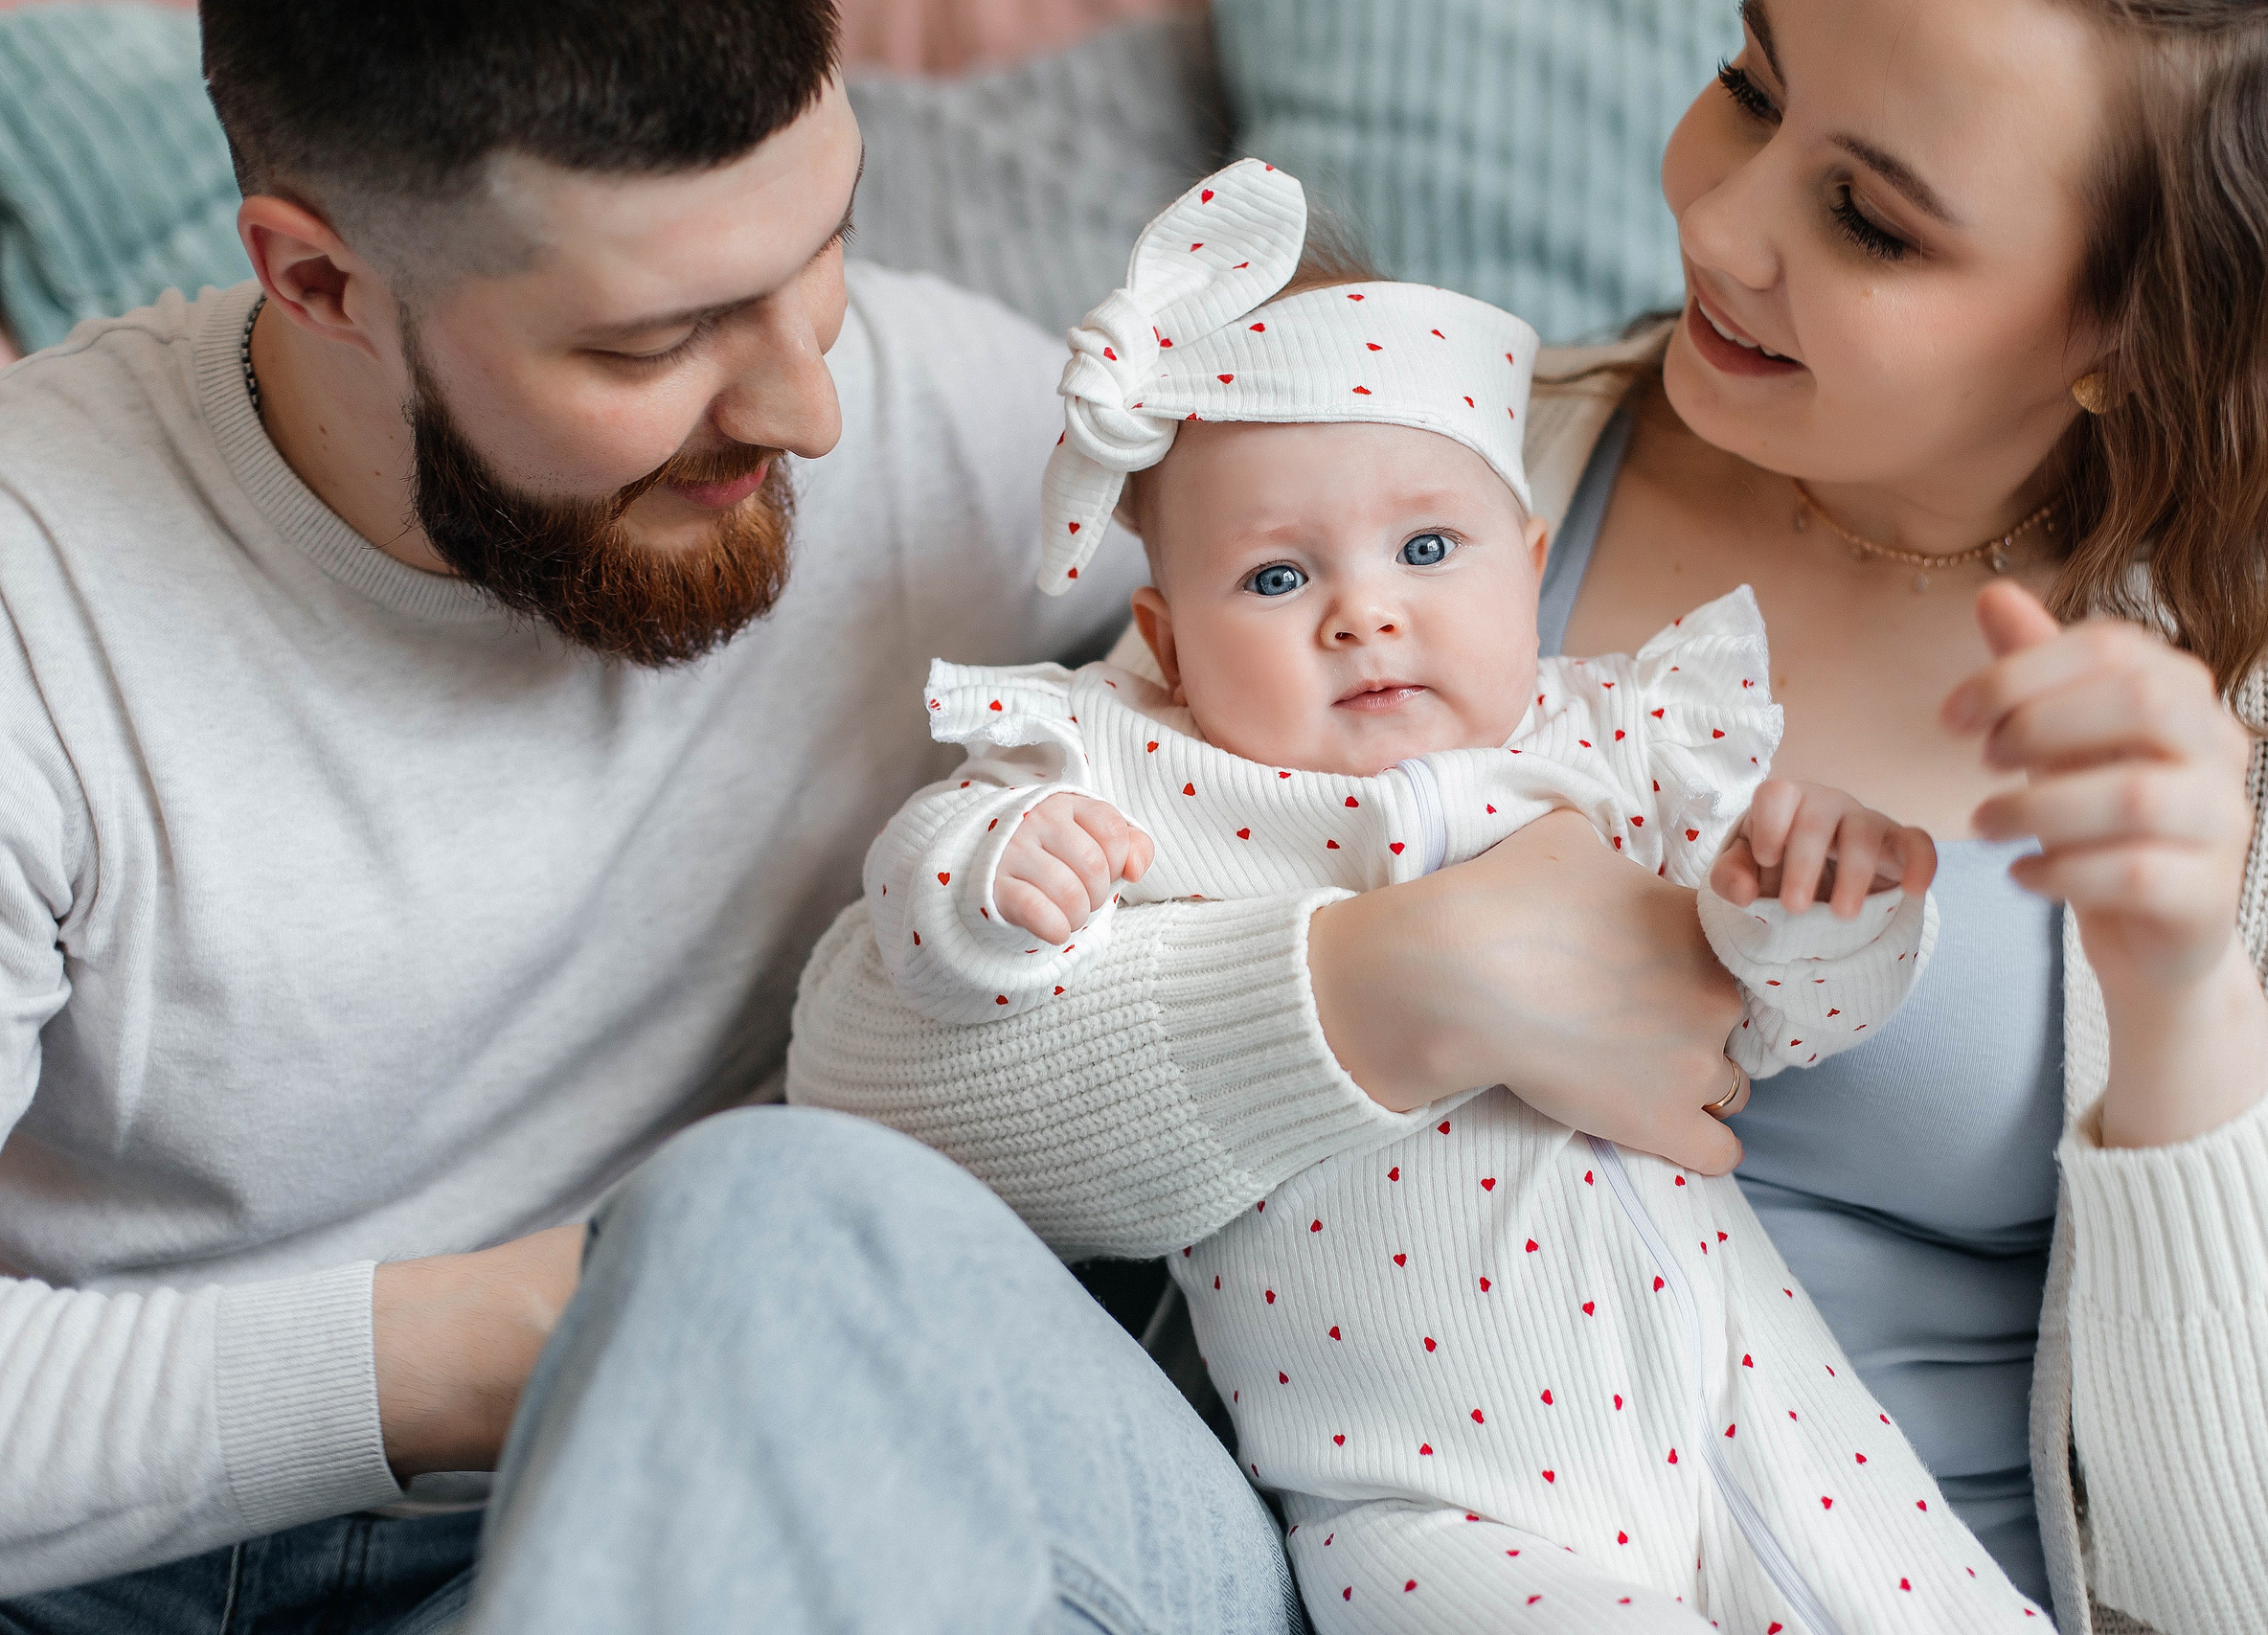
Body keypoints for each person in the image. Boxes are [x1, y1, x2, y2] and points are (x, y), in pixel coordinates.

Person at [797, 1, 2268, 1631]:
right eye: (1748, 85)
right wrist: (1397, 985)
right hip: (1372, 1532)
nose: (1719, 220)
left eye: (1869, 219)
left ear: (2137, 333)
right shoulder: (1420, 468)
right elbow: (868, 1105)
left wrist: (2180, 1005)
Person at [0, 1, 1302, 1630]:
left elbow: (1415, 573)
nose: (810, 408)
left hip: (840, 1445)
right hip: (150, 1562)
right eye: (649, 344)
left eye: (826, 244)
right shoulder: (35, 609)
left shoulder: (919, 407)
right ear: (316, 280)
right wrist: (621, 1308)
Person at [858, 157, 2049, 1632]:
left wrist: (1812, 899)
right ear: (1165, 635)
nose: (1366, 611)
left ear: (1528, 567)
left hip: (1752, 1395)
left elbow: (1781, 1019)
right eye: (1279, 580)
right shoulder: (1138, 761)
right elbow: (915, 920)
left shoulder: (1610, 743)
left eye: (1428, 550)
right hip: (1423, 1491)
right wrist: (994, 873)